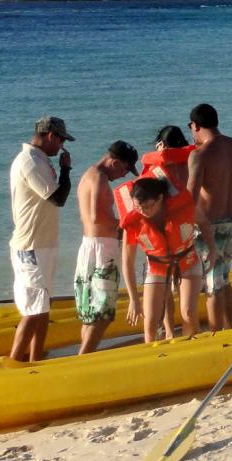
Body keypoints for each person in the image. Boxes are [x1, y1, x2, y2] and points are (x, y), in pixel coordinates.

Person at [7, 115, 75, 362]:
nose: (62, 146)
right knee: (34, 310)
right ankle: (14, 361)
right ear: (50, 136)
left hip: (44, 244)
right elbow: (57, 198)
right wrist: (66, 170)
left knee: (44, 307)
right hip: (31, 246)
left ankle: (37, 360)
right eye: (61, 140)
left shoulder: (40, 159)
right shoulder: (30, 161)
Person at [74, 140, 139, 353]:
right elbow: (96, 217)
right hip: (102, 249)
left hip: (88, 247)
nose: (123, 175)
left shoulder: (87, 176)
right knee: (103, 312)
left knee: (90, 312)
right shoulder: (100, 179)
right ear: (114, 161)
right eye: (124, 169)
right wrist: (126, 223)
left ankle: (83, 356)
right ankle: (84, 358)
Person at [119, 177, 202, 342]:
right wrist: (134, 300)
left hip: (187, 261)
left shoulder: (180, 209)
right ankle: (153, 358)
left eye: (149, 206)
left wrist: (212, 251)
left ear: (161, 199)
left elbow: (204, 223)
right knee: (150, 321)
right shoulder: (134, 222)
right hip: (157, 266)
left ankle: (191, 350)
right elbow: (127, 264)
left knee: (188, 312)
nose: (144, 211)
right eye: (139, 207)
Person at [187, 103, 232, 331]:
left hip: (210, 226)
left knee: (212, 284)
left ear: (196, 125)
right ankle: (228, 328)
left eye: (191, 127)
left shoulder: (200, 155)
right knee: (224, 279)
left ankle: (216, 333)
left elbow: (189, 199)